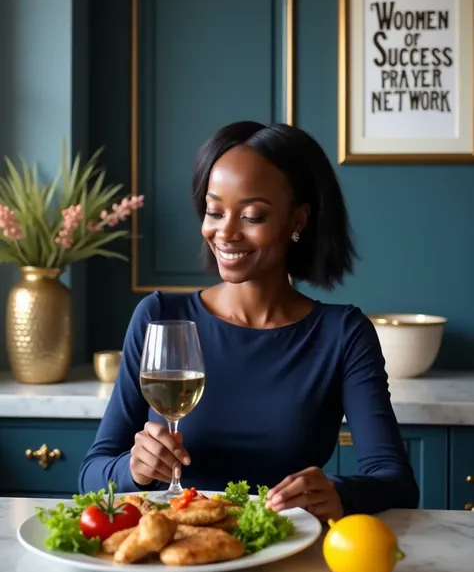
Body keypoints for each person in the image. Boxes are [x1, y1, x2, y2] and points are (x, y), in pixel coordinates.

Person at [79, 121, 419, 520]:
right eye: (214, 211)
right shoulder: (159, 317)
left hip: (286, 560)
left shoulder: (342, 334)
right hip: (176, 558)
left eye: (253, 216)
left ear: (298, 220)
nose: (226, 232)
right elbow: (90, 475)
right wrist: (133, 469)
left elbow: (396, 481)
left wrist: (336, 492)